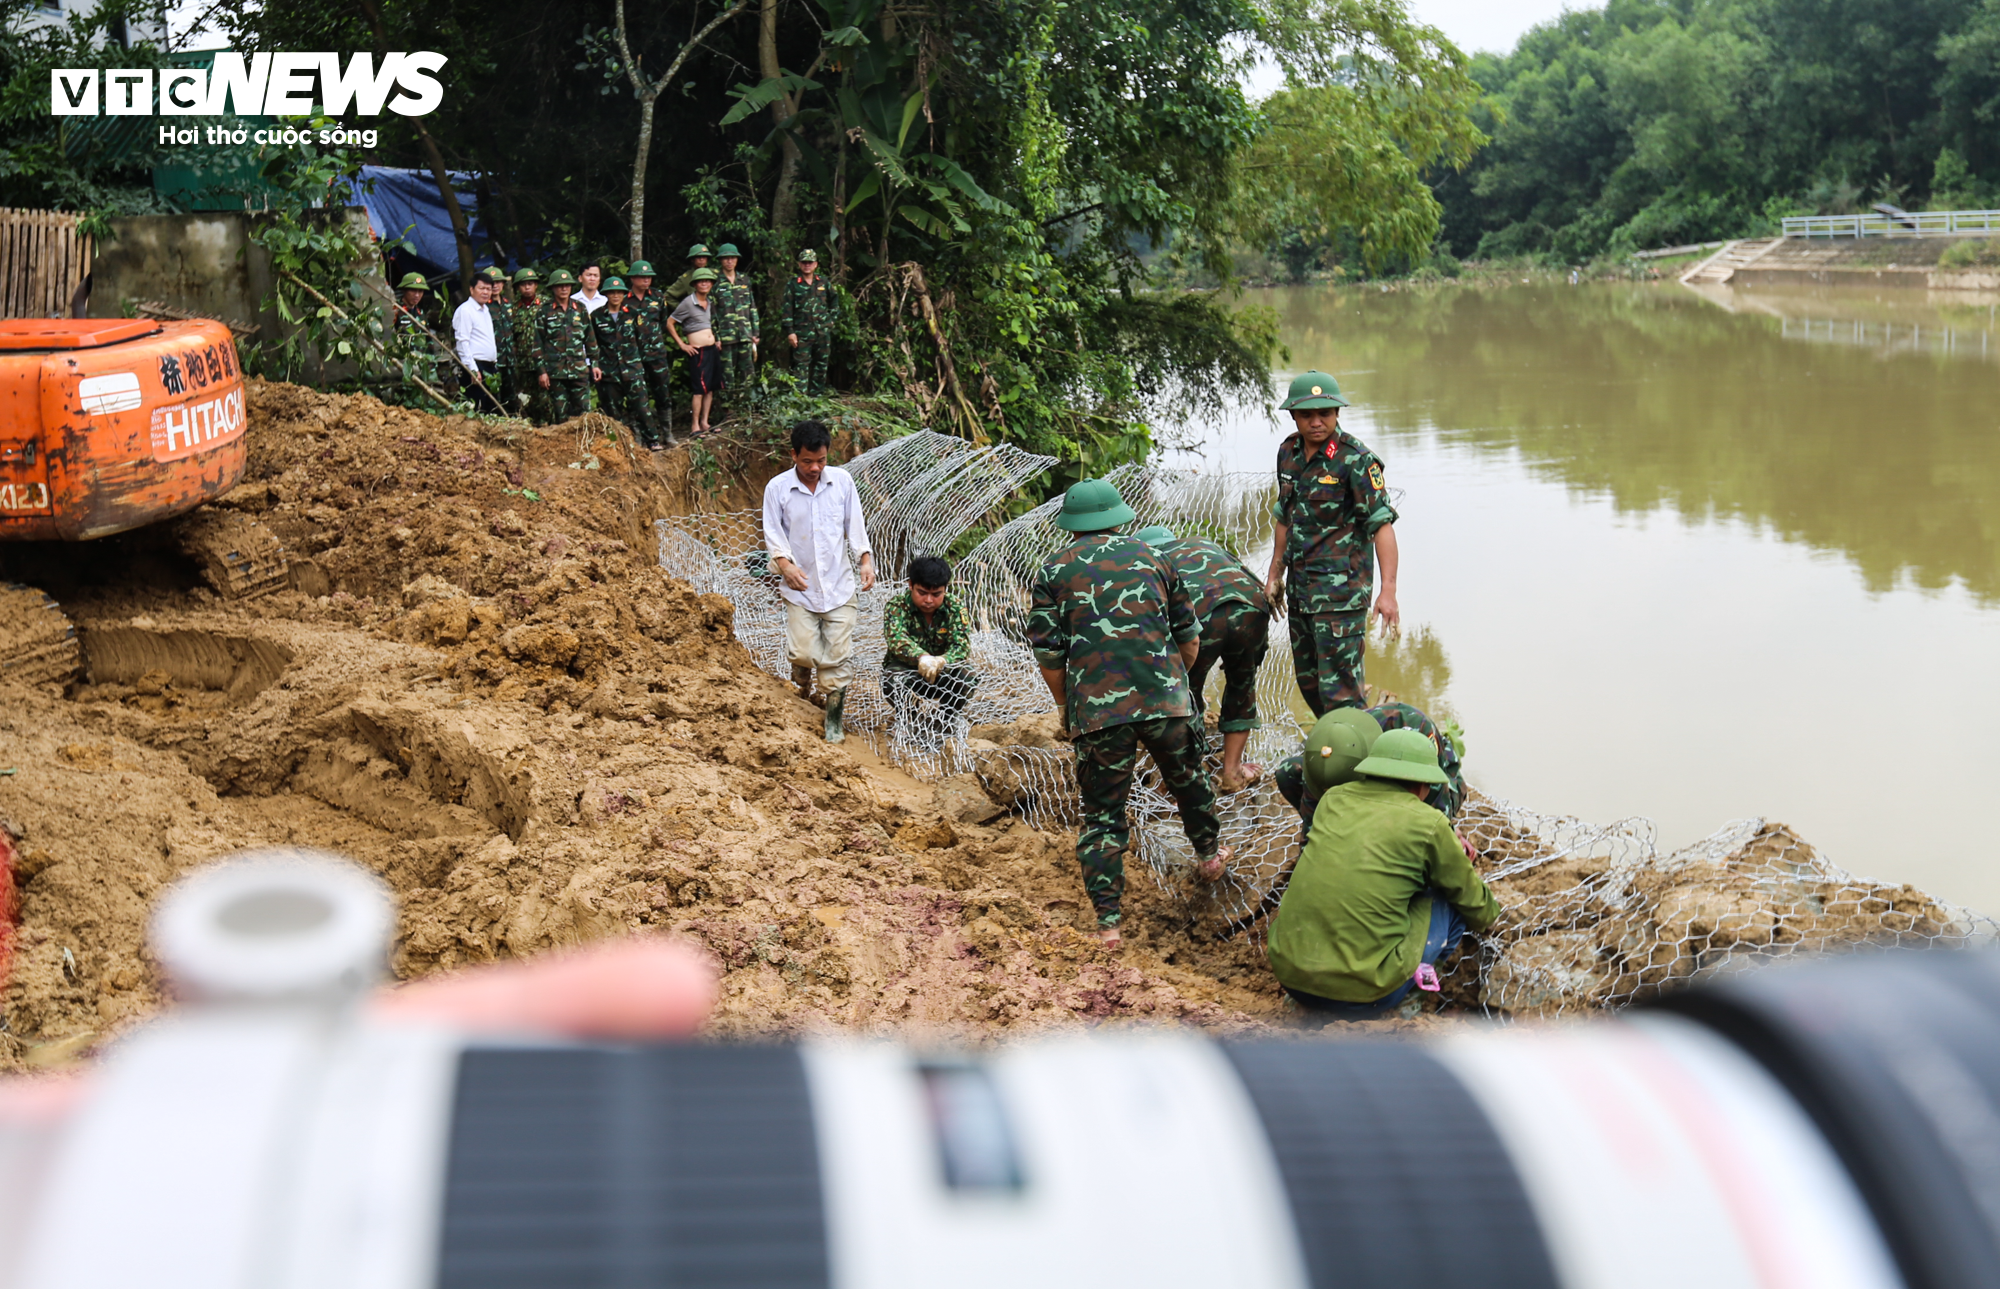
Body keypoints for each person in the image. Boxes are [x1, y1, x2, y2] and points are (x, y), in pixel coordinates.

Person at [1026, 479, 1230, 948]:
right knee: (1189, 780)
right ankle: (1210, 857)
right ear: (1120, 517)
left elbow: (1049, 655)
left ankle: (1109, 924)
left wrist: (1065, 706)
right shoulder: (1155, 558)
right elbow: (1190, 637)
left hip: (1099, 715)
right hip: (1167, 703)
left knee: (1102, 817)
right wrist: (1175, 683)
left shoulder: (1053, 570)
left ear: (1071, 525)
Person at [1266, 727, 1500, 1019]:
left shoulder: (1333, 800)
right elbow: (1471, 898)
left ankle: (1308, 1000)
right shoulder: (1429, 822)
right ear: (1421, 785)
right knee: (1448, 902)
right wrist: (1491, 917)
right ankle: (1411, 995)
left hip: (1292, 979)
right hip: (1366, 994)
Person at [1262, 370, 1400, 716]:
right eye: (1307, 415)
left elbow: (1381, 526)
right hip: (1301, 592)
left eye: (1324, 413)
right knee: (1310, 686)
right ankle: (1334, 751)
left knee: (1342, 693)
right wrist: (1275, 572)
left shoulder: (1355, 459)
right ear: (1294, 415)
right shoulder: (1288, 454)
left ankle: (1353, 759)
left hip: (1341, 596)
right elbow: (1285, 515)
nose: (1316, 422)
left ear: (1337, 413)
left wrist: (1388, 591)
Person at [761, 419, 877, 742]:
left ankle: (833, 720)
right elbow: (773, 535)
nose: (815, 468)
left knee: (837, 657)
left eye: (821, 460)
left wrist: (864, 561)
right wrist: (786, 566)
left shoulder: (842, 482)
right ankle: (802, 674)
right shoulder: (777, 489)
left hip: (840, 587)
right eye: (807, 461)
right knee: (802, 653)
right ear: (793, 455)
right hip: (801, 589)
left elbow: (856, 526)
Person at [1134, 525, 1273, 792]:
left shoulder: (1150, 564)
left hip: (1203, 614)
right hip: (1251, 607)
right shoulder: (1202, 544)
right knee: (1242, 686)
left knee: (1182, 692)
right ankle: (1232, 772)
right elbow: (1250, 577)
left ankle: (1188, 780)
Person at [881, 554, 975, 723]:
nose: (929, 600)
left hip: (943, 673)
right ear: (910, 585)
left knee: (967, 676)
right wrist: (921, 658)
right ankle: (910, 719)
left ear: (946, 589)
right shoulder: (897, 606)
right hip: (909, 671)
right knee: (891, 680)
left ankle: (946, 720)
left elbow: (961, 646)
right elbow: (896, 638)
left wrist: (942, 661)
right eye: (922, 593)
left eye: (936, 594)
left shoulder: (955, 608)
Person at [588, 276, 660, 447]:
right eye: (611, 292)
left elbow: (642, 341)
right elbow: (593, 344)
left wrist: (642, 364)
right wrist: (595, 365)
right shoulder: (596, 316)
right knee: (612, 413)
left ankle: (652, 441)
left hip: (632, 369)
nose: (615, 295)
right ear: (605, 294)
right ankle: (616, 445)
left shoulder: (633, 314)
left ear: (623, 294)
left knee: (642, 409)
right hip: (609, 371)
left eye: (619, 292)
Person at [535, 268, 600, 423]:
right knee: (560, 415)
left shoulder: (580, 309)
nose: (564, 289)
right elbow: (538, 344)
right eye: (560, 285)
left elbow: (590, 339)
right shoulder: (544, 311)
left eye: (567, 285)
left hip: (579, 370)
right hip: (556, 372)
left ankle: (585, 445)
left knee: (584, 413)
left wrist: (595, 364)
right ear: (553, 288)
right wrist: (542, 371)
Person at [625, 259, 676, 445]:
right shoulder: (624, 299)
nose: (646, 280)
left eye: (648, 277)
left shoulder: (657, 296)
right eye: (641, 277)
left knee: (662, 394)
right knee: (637, 397)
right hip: (633, 356)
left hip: (656, 355)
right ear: (633, 278)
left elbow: (663, 322)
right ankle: (638, 436)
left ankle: (667, 434)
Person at [668, 268, 723, 438]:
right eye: (701, 281)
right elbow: (670, 323)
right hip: (697, 352)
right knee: (699, 389)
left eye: (707, 281)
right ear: (695, 285)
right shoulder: (688, 302)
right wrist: (682, 345)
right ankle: (694, 426)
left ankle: (705, 422)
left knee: (710, 388)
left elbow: (712, 323)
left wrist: (717, 339)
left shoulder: (709, 302)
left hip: (711, 349)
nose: (704, 284)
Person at [782, 248, 835, 395]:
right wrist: (790, 332)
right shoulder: (793, 284)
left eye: (810, 262)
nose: (807, 265)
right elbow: (787, 309)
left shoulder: (824, 282)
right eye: (804, 262)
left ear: (816, 264)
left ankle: (816, 397)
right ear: (799, 264)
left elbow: (834, 302)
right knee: (801, 367)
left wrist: (831, 321)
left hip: (822, 332)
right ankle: (801, 399)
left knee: (821, 365)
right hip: (802, 333)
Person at [391, 271, 449, 403]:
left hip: (424, 365)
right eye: (413, 291)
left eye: (420, 292)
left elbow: (428, 341)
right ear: (405, 291)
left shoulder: (420, 313)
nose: (417, 295)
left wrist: (432, 366)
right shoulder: (396, 312)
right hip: (406, 366)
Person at [712, 242, 760, 399]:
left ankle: (749, 404)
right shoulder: (715, 282)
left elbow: (752, 306)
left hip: (745, 334)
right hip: (726, 337)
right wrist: (716, 337)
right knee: (727, 375)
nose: (729, 261)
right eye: (726, 258)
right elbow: (712, 313)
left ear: (737, 260)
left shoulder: (744, 280)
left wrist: (755, 332)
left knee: (748, 373)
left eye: (732, 258)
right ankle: (728, 408)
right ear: (720, 260)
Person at [452, 272, 504, 414]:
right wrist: (472, 369)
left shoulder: (485, 310)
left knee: (490, 408)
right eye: (482, 288)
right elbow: (462, 342)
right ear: (471, 289)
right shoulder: (466, 310)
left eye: (488, 289)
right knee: (477, 409)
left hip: (489, 366)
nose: (486, 292)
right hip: (475, 366)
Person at [479, 266, 521, 414]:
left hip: (510, 360)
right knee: (493, 397)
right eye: (492, 283)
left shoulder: (510, 305)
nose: (495, 286)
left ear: (503, 284)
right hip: (493, 360)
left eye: (498, 282)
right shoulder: (483, 307)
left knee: (512, 396)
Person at [510, 267, 547, 423]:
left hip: (544, 363)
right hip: (524, 364)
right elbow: (512, 338)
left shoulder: (546, 305)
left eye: (530, 284)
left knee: (546, 401)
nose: (527, 287)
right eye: (523, 284)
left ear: (536, 285)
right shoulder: (514, 310)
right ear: (518, 287)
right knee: (526, 401)